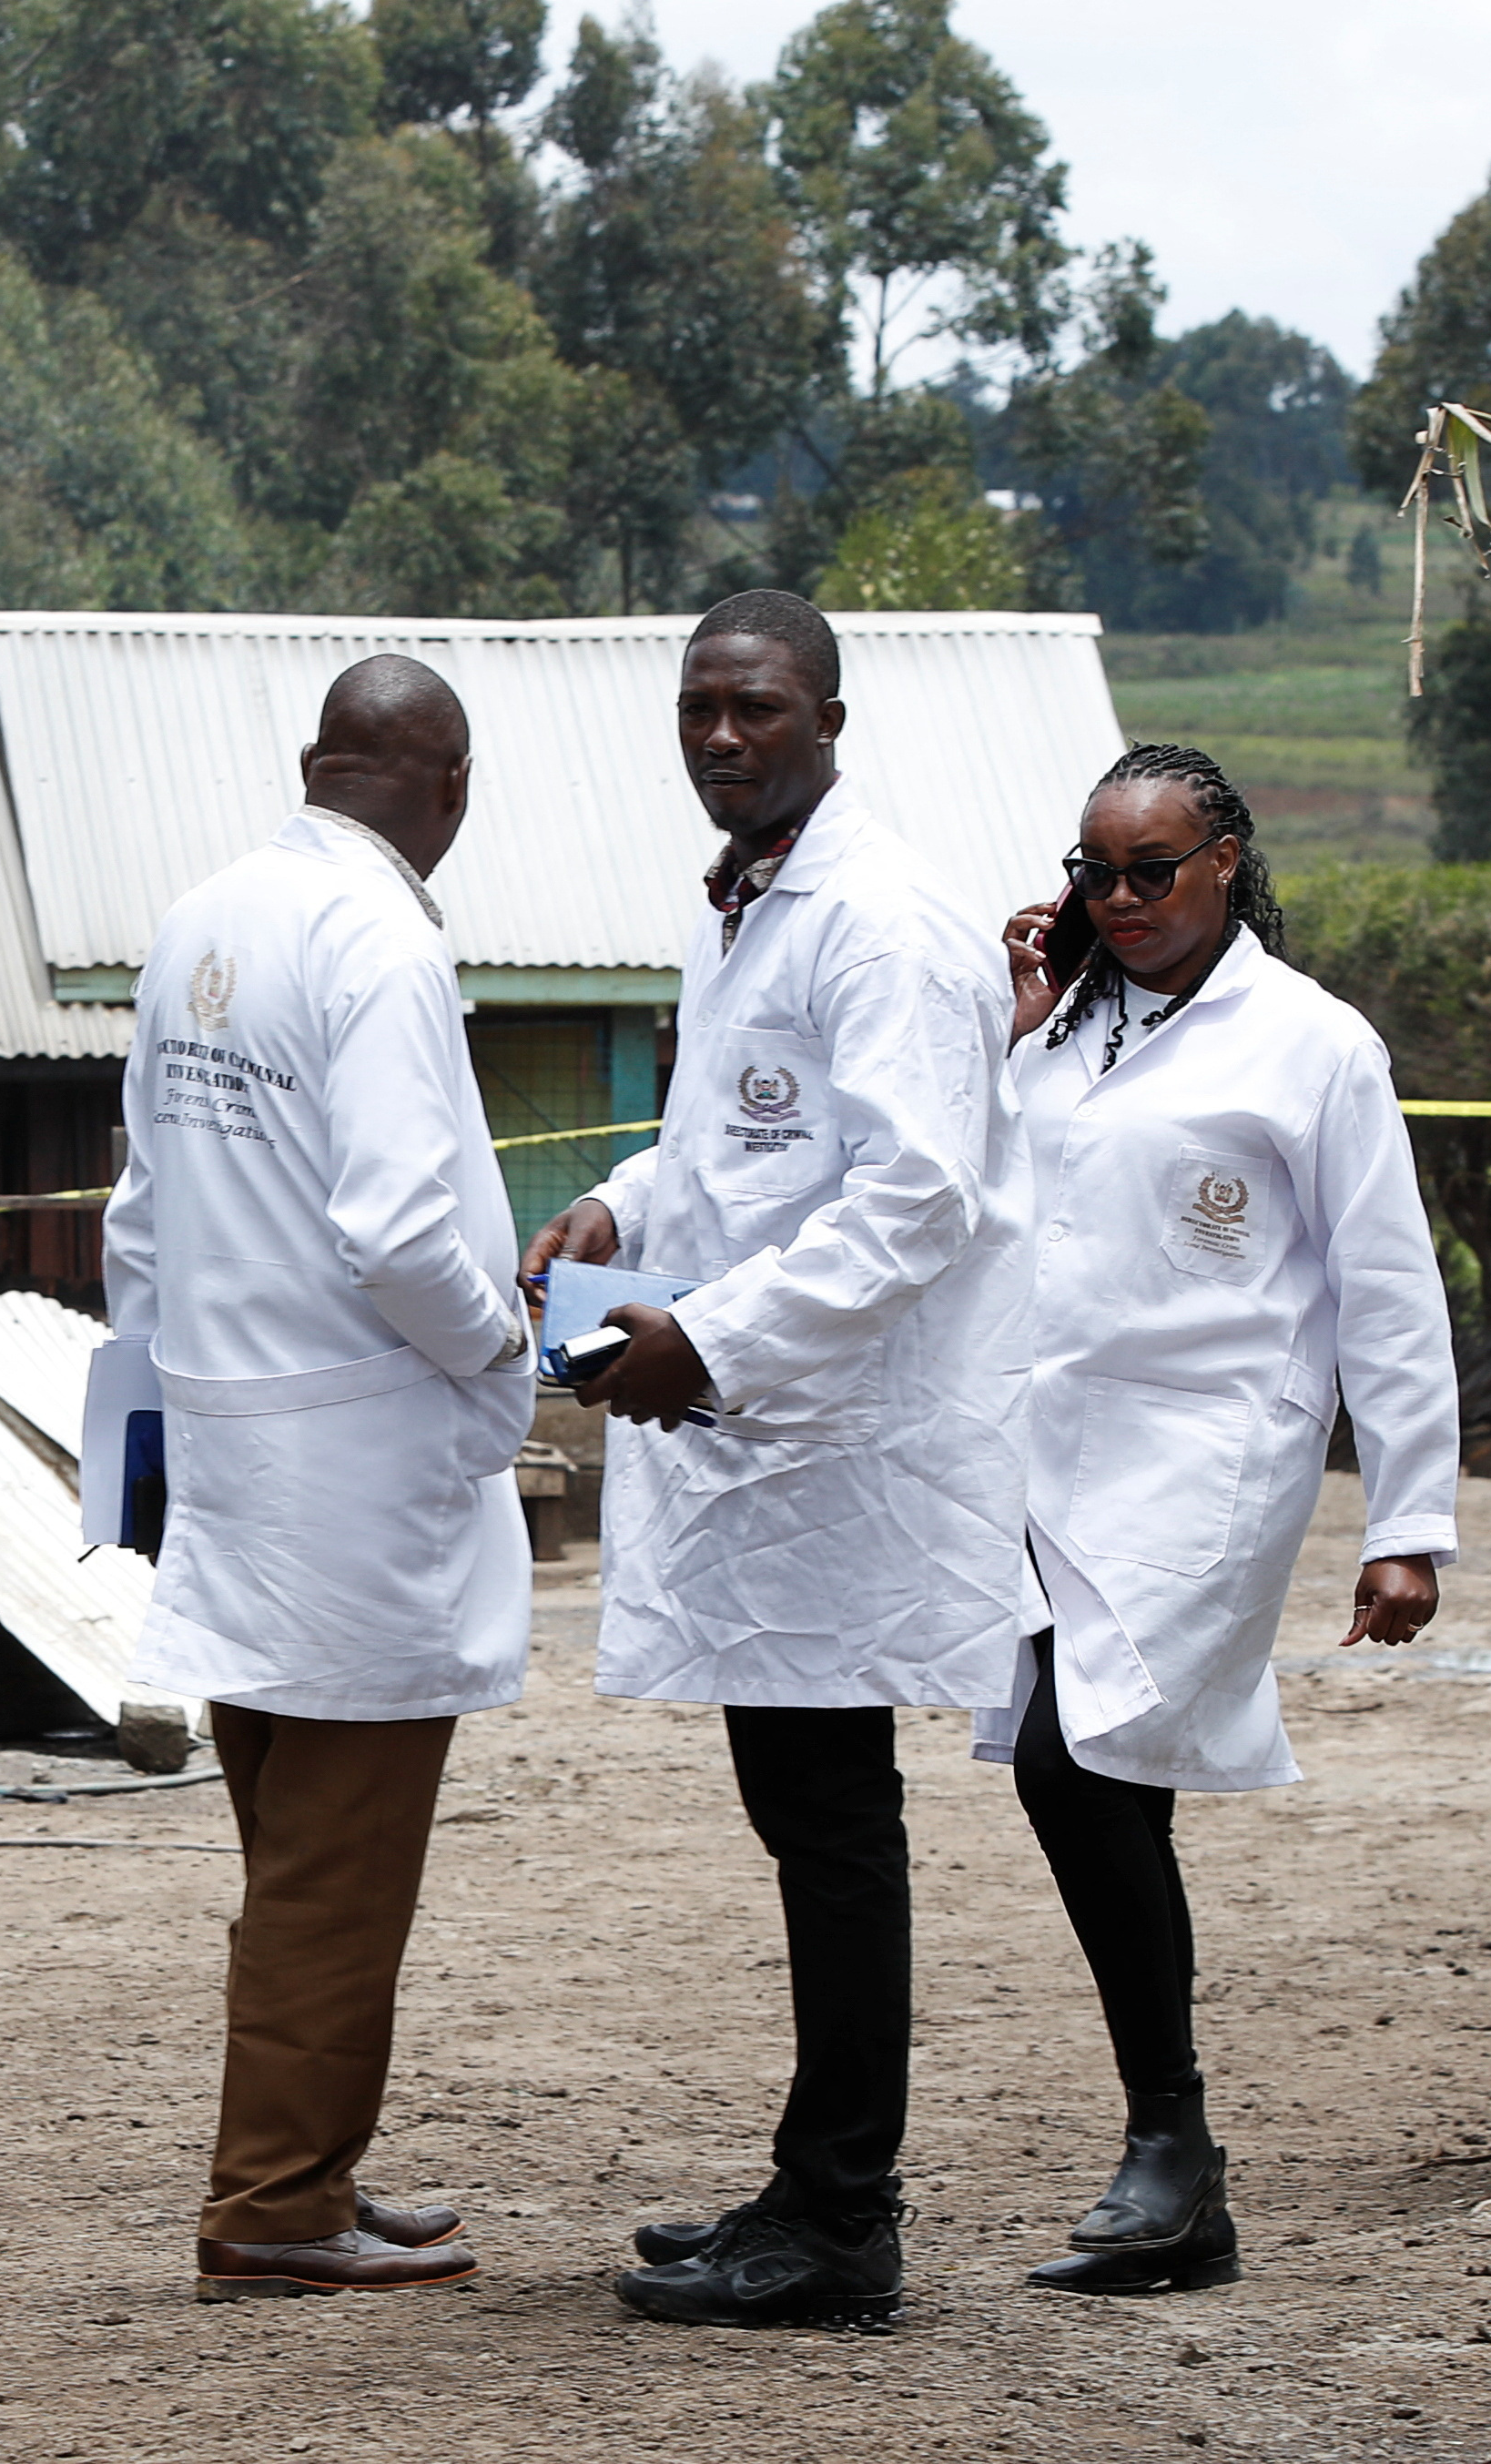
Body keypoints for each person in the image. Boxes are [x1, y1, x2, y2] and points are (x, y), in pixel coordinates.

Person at [521, 591, 1031, 2329]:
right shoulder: (745, 908)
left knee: (834, 1826)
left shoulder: (879, 926)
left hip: (839, 1447)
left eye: (754, 707)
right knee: (808, 1814)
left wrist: (712, 1341)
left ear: (826, 713)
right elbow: (729, 1154)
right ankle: (815, 2180)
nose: (721, 737)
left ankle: (841, 2223)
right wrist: (622, 1207)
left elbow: (914, 1196)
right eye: (698, 711)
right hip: (769, 1446)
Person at [981, 742, 1457, 2294]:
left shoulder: (1313, 1045)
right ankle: (1180, 2190)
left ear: (1228, 865)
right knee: (1111, 1777)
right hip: (1051, 1448)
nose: (1118, 901)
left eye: (1152, 872)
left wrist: (1410, 1523)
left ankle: (1170, 2142)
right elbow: (989, 1196)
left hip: (1211, 1459)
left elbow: (1388, 1293)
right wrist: (1017, 1034)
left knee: (1078, 1760)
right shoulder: (1067, 1032)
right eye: (1095, 873)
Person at [102, 653, 536, 2302]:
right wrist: (505, 1350)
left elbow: (139, 1217)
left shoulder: (202, 918)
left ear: (313, 764)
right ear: (453, 790)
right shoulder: (382, 941)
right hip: (353, 1466)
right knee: (334, 1870)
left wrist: (162, 1408)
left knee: (292, 1840)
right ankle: (275, 2206)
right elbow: (405, 1229)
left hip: (228, 1442)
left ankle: (314, 2160)